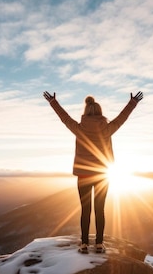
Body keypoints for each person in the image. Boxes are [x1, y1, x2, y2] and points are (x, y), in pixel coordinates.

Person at [43, 90, 143, 253]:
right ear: (100, 112)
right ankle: (98, 243)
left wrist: (53, 102)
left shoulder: (79, 129)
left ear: (86, 111)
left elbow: (64, 118)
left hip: (83, 175)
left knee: (85, 210)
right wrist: (132, 103)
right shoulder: (107, 129)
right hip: (102, 175)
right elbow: (122, 118)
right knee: (99, 209)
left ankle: (83, 244)